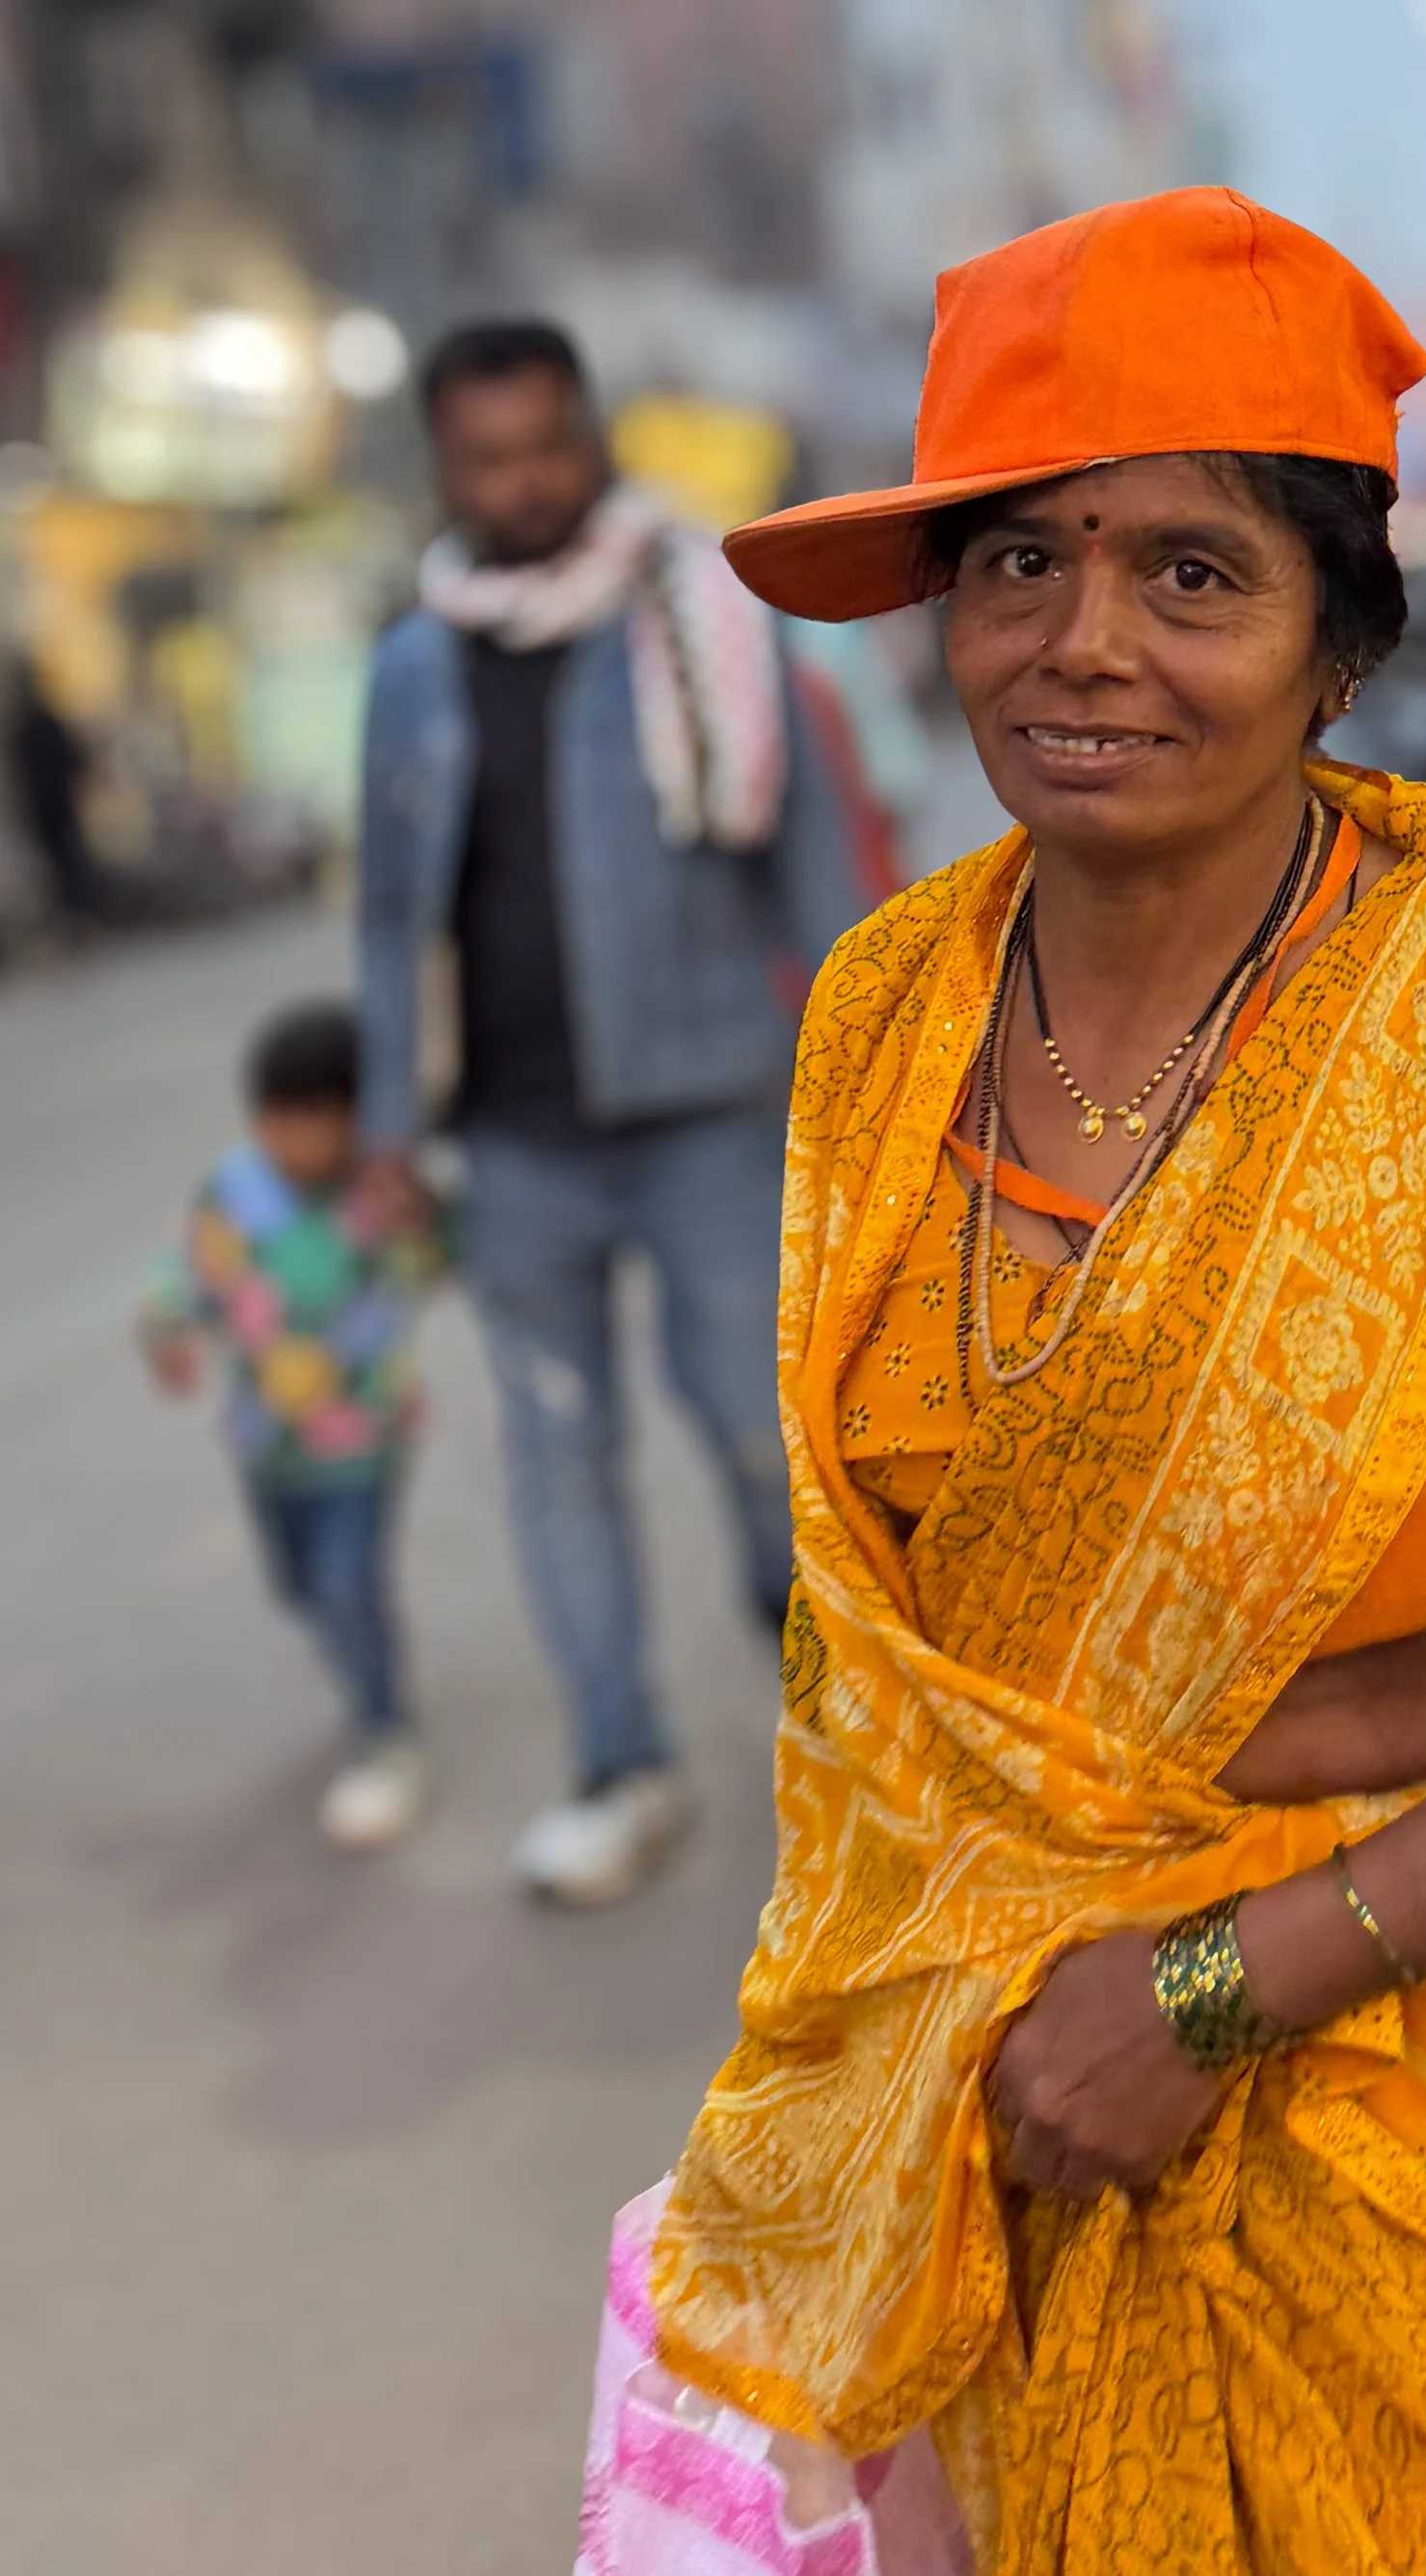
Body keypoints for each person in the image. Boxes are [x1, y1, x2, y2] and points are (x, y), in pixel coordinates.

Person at [634, 191, 1426, 2571]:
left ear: (1333, 639)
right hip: (970, 2093)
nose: (1082, 644)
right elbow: (875, 1678)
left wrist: (1199, 1991)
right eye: (1014, 564)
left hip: (1367, 2076)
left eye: (1188, 571)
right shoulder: (885, 1007)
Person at [356, 321, 855, 1907]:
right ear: (446, 468)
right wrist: (390, 1126)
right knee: (558, 1461)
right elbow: (389, 915)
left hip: (709, 1109)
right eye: (486, 458)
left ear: (591, 439)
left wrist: (870, 1077)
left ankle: (849, 1753)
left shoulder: (705, 612)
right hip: (513, 1143)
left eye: (545, 447)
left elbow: (819, 866)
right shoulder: (415, 665)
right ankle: (620, 1763)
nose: (521, 483)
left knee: (764, 1449)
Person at [139, 1001, 444, 1850]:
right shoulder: (234, 1190)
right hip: (265, 1442)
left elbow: (445, 1251)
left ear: (354, 1119)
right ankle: (353, 1651)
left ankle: (386, 1732)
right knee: (300, 1585)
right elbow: (190, 1265)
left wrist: (430, 1214)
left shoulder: (382, 1194)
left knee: (349, 1584)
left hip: (362, 1442)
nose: (284, 1141)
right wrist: (165, 1325)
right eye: (269, 1121)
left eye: (305, 1123)